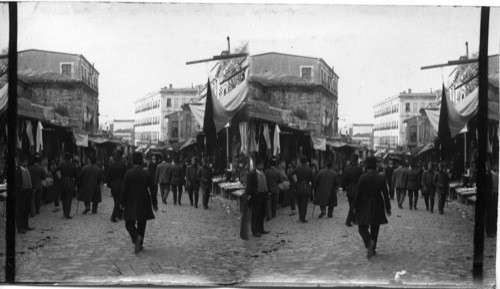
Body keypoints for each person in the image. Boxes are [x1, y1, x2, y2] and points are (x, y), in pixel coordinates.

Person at [354, 156, 391, 259]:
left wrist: (355, 207)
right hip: (378, 204)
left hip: (364, 204)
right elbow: (386, 194)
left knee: (362, 227)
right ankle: (373, 248)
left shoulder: (362, 177)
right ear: (376, 165)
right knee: (375, 228)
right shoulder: (381, 178)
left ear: (366, 165)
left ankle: (369, 242)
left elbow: (358, 194)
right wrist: (388, 208)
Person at [121, 152, 158, 254]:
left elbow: (124, 190)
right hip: (144, 199)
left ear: (133, 161)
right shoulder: (147, 173)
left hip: (131, 200)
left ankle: (136, 237)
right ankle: (140, 242)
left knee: (128, 222)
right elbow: (153, 190)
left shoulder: (128, 173)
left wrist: (122, 203)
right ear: (142, 161)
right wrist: (154, 203)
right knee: (142, 223)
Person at [246, 158, 270, 237]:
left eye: (262, 164)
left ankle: (261, 228)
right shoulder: (252, 174)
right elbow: (249, 187)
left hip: (264, 195)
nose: (262, 166)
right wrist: (255, 192)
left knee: (262, 213)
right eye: (260, 164)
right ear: (256, 165)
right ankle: (255, 231)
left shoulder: (263, 173)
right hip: (257, 196)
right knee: (256, 214)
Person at [288, 156, 314, 223]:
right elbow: (313, 179)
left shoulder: (298, 168)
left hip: (299, 186)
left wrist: (293, 181)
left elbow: (289, 174)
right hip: (306, 187)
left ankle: (300, 217)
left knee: (299, 203)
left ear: (300, 161)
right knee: (305, 203)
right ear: (306, 161)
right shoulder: (309, 169)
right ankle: (302, 218)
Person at [53, 153, 78, 219]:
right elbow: (76, 176)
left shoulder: (61, 165)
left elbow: (54, 171)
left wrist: (58, 177)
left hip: (63, 183)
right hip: (70, 183)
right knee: (69, 199)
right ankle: (67, 214)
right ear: (70, 158)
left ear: (64, 158)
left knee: (64, 199)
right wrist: (76, 183)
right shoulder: (73, 166)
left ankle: (64, 213)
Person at [341, 154, 363, 227]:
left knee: (351, 204)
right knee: (353, 205)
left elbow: (343, 180)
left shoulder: (347, 169)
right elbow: (361, 180)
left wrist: (344, 188)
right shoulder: (359, 169)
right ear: (357, 161)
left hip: (349, 188)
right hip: (357, 188)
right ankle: (348, 220)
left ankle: (353, 219)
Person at [107, 150, 128, 222]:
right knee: (118, 202)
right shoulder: (124, 165)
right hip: (121, 185)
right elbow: (126, 176)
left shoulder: (111, 165)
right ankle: (113, 217)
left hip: (113, 185)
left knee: (116, 201)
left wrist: (110, 185)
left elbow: (108, 176)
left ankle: (119, 214)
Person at [16, 155, 34, 233]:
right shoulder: (18, 171)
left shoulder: (27, 169)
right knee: (21, 210)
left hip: (28, 192)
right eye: (24, 161)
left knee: (27, 209)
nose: (26, 162)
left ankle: (26, 225)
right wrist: (20, 191)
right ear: (21, 162)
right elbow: (17, 183)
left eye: (26, 161)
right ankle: (20, 227)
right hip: (22, 193)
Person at [486, 162, 498, 237]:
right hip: (490, 196)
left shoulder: (497, 174)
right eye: (496, 165)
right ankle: (489, 231)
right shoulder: (488, 175)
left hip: (496, 196)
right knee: (489, 214)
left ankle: (494, 230)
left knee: (495, 214)